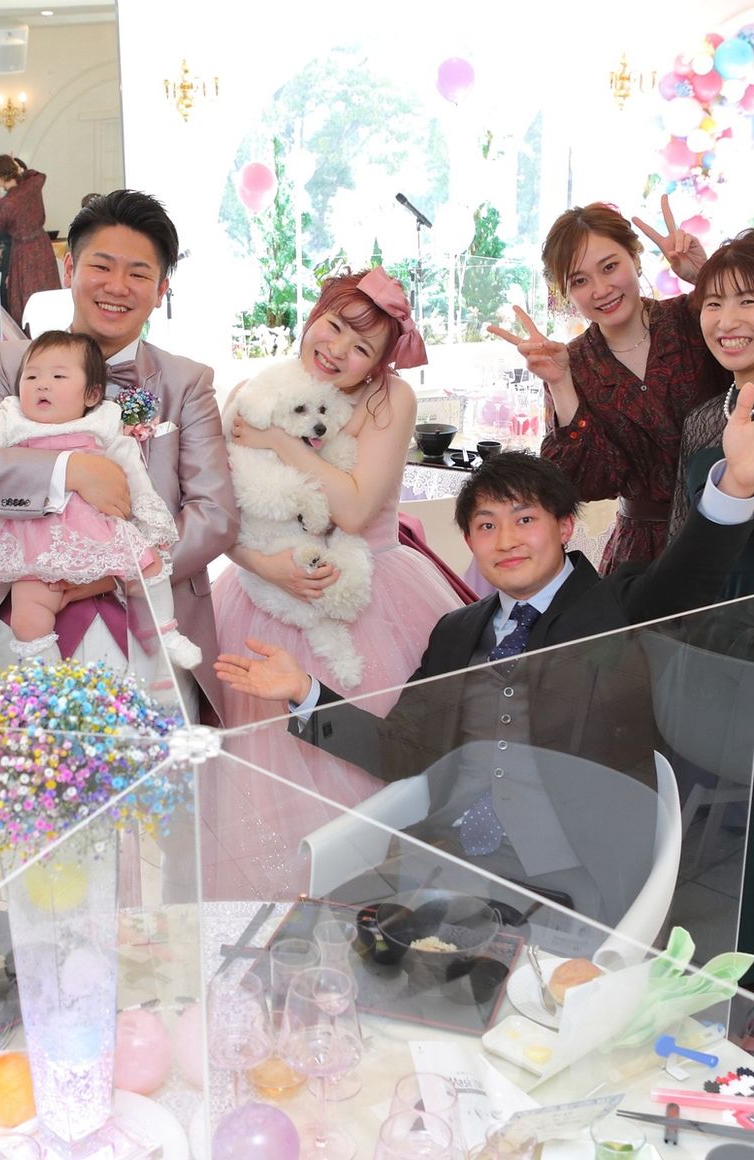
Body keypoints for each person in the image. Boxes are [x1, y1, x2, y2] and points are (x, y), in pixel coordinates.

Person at [216, 434, 754, 917]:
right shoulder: (455, 630)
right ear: (470, 542)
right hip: (450, 856)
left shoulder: (615, 607)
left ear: (565, 527)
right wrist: (305, 692)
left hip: (572, 873)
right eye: (487, 526)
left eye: (525, 520)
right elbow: (401, 750)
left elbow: (685, 582)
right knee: (324, 934)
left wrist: (734, 486)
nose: (506, 540)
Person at [206, 268, 464, 897]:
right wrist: (261, 566)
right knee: (265, 774)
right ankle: (281, 912)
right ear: (314, 315)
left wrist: (278, 441)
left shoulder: (389, 400)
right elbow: (217, 515)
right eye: (335, 326)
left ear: (380, 363)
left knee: (368, 768)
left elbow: (351, 509)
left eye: (362, 347)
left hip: (367, 592)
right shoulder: (254, 389)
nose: (338, 350)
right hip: (262, 593)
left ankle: (369, 908)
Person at [0, 189, 238, 723]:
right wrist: (70, 470)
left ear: (161, 288)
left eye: (139, 273)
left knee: (157, 774)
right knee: (31, 767)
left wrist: (114, 571)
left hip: (148, 625)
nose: (117, 286)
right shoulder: (10, 363)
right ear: (69, 269)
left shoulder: (186, 382)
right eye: (102, 266)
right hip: (25, 620)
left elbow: (213, 515)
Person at [0, 330, 201, 668]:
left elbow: (131, 464)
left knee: (150, 565)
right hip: (34, 535)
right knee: (29, 610)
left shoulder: (104, 420)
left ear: (92, 394)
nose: (42, 385)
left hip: (94, 530)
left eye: (58, 377)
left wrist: (148, 515)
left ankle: (165, 631)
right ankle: (46, 670)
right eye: (31, 377)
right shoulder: (11, 416)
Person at [490, 196, 714, 572]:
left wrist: (705, 277)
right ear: (566, 292)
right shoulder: (569, 363)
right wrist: (561, 383)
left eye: (610, 267)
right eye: (580, 280)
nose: (600, 290)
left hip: (732, 533)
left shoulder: (696, 316)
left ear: (635, 258)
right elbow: (579, 485)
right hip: (644, 558)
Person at [670, 230, 754, 597]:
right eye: (714, 303)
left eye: (748, 301)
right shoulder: (701, 420)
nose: (727, 322)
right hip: (705, 618)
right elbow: (679, 542)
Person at [0, 153, 62, 328]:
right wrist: (19, 169)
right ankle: (52, 327)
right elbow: (39, 175)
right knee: (46, 288)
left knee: (24, 294)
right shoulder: (32, 186)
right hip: (42, 245)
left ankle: (29, 333)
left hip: (22, 251)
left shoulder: (5, 203)